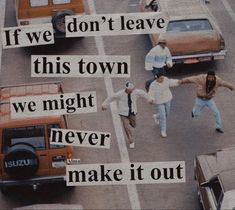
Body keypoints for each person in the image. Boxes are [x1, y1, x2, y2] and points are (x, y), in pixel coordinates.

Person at [102, 82, 153, 148]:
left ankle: (130, 122)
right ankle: (131, 141)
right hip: (123, 113)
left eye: (132, 89)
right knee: (126, 127)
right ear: (126, 89)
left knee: (134, 125)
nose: (132, 91)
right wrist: (104, 104)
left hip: (132, 112)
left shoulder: (136, 92)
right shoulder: (120, 94)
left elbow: (144, 94)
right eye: (130, 90)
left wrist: (149, 99)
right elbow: (111, 98)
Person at [148, 73, 180, 138]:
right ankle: (163, 131)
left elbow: (171, 82)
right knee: (163, 116)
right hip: (159, 102)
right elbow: (151, 93)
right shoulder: (153, 85)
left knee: (166, 114)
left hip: (167, 99)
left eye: (163, 78)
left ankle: (156, 116)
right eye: (161, 78)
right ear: (157, 78)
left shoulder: (165, 80)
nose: (163, 79)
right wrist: (151, 99)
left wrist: (179, 81)